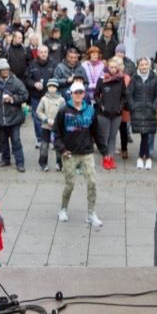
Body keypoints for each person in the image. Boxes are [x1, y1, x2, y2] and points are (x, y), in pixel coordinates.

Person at [54, 80, 106, 227]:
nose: (78, 95)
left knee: (92, 183)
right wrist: (62, 149)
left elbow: (96, 132)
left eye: (80, 92)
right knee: (70, 184)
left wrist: (104, 150)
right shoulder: (64, 111)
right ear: (71, 94)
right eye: (75, 92)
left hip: (87, 152)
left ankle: (91, 213)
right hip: (69, 153)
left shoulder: (90, 110)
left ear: (84, 94)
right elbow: (56, 133)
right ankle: (63, 208)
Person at [0, 58, 28, 172]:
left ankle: (20, 162)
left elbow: (24, 95)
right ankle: (5, 159)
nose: (5, 72)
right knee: (3, 141)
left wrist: (12, 99)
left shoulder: (16, 82)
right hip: (0, 118)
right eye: (3, 70)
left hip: (14, 117)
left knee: (16, 140)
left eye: (7, 70)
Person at [93, 56, 129, 170]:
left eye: (115, 67)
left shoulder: (121, 79)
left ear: (118, 68)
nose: (113, 69)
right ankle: (105, 157)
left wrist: (120, 107)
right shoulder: (102, 79)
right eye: (111, 67)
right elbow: (96, 95)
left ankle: (111, 158)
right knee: (104, 136)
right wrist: (101, 105)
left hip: (117, 114)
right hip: (104, 114)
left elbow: (124, 96)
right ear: (107, 67)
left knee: (113, 137)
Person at [127, 57, 157, 169]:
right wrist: (133, 107)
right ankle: (145, 157)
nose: (144, 67)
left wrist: (154, 106)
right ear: (138, 66)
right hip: (138, 111)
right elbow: (129, 94)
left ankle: (143, 157)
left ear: (149, 66)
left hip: (150, 111)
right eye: (141, 65)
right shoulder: (134, 79)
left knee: (146, 135)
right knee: (143, 135)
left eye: (146, 64)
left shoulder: (154, 79)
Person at [36, 78, 65, 172]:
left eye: (54, 87)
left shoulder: (61, 100)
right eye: (50, 87)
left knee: (58, 145)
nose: (52, 89)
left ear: (57, 88)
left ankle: (59, 163)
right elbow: (39, 111)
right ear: (47, 87)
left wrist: (57, 121)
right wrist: (45, 119)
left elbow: (63, 112)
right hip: (46, 126)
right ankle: (43, 163)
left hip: (57, 127)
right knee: (44, 145)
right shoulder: (44, 99)